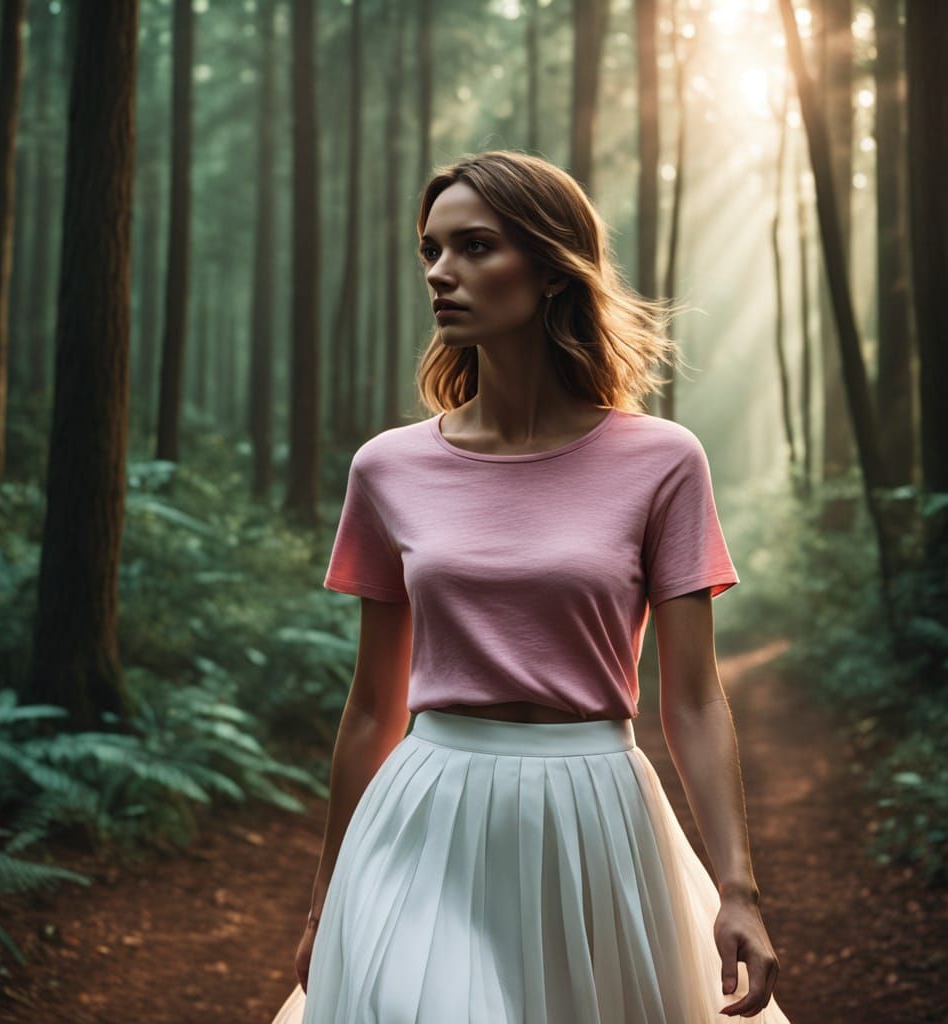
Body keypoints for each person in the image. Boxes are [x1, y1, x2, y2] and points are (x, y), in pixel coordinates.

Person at [272, 150, 791, 1023]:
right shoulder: (387, 468)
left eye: (475, 247)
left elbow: (694, 700)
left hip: (593, 810)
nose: (442, 273)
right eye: (431, 251)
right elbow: (371, 708)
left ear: (552, 270)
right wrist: (327, 894)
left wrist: (738, 888)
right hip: (426, 812)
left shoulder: (663, 461)